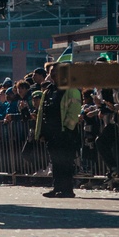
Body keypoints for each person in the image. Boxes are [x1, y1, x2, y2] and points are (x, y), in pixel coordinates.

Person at [34, 62, 82, 198]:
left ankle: (67, 190)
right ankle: (57, 188)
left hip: (66, 133)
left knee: (66, 162)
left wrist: (67, 129)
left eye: (57, 72)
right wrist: (41, 132)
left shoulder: (71, 89)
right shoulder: (48, 91)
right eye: (51, 72)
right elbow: (42, 112)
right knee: (55, 162)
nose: (54, 75)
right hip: (52, 134)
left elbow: (74, 111)